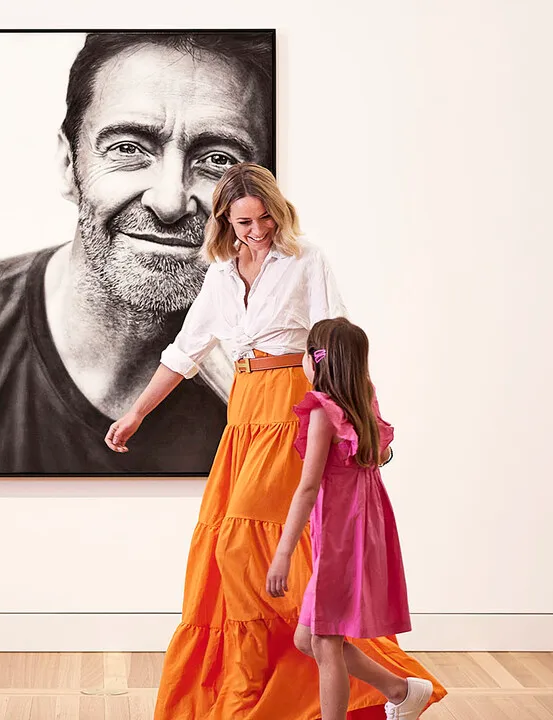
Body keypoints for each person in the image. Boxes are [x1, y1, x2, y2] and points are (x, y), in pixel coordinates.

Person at [105, 163, 443, 719]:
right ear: (224, 222)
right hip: (244, 413)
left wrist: (367, 422)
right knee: (237, 548)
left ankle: (306, 679)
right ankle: (389, 688)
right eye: (244, 222)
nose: (257, 230)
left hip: (291, 408)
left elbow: (338, 344)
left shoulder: (306, 259)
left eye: (265, 218)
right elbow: (185, 352)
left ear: (278, 213)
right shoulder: (219, 275)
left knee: (246, 543)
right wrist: (137, 412)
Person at [0, 31, 274, 476]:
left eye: (219, 159)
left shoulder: (275, 379)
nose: (169, 201)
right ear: (68, 166)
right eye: (128, 148)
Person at [266, 318, 443, 719]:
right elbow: (380, 454)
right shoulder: (364, 399)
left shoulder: (323, 412)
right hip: (362, 527)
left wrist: (283, 554)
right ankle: (401, 690)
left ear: (315, 360)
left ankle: (390, 695)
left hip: (341, 535)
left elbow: (307, 487)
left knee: (324, 640)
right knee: (308, 638)